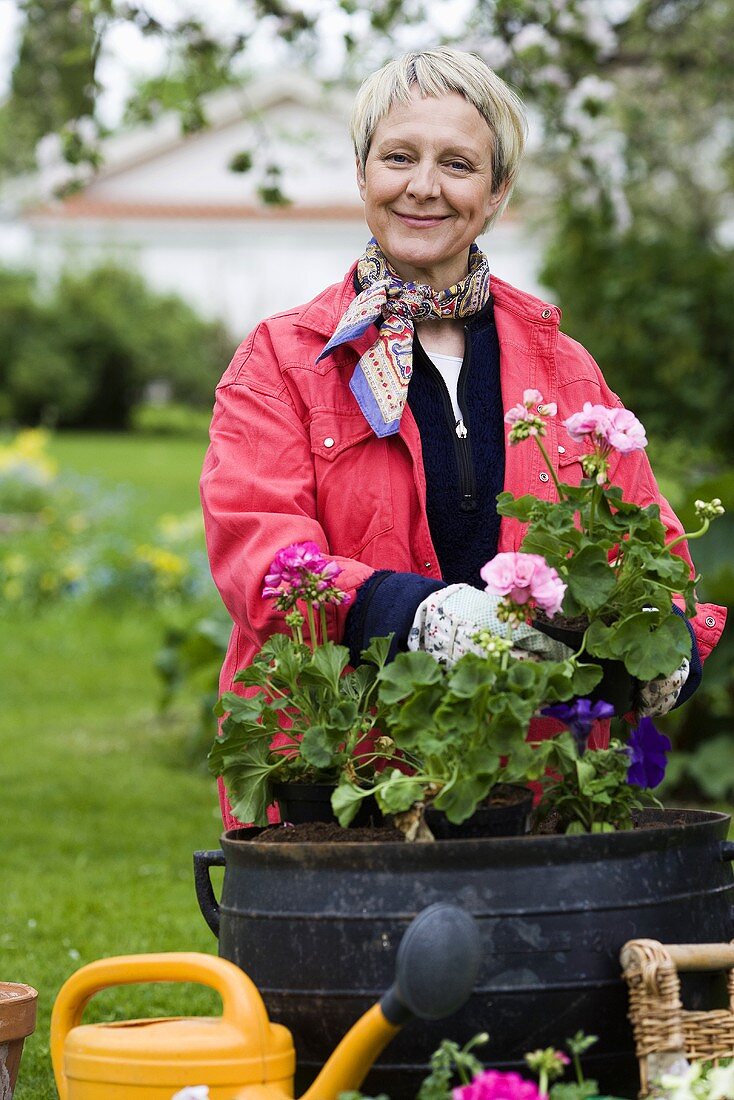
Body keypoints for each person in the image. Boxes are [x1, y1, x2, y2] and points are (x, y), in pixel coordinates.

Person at [201, 47, 725, 830]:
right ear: (362, 172)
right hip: (344, 786)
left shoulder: (562, 365)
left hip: (530, 784)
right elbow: (260, 553)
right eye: (399, 156)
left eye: (457, 163)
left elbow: (653, 556)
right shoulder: (285, 358)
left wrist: (662, 642)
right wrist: (417, 616)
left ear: (497, 191)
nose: (423, 186)